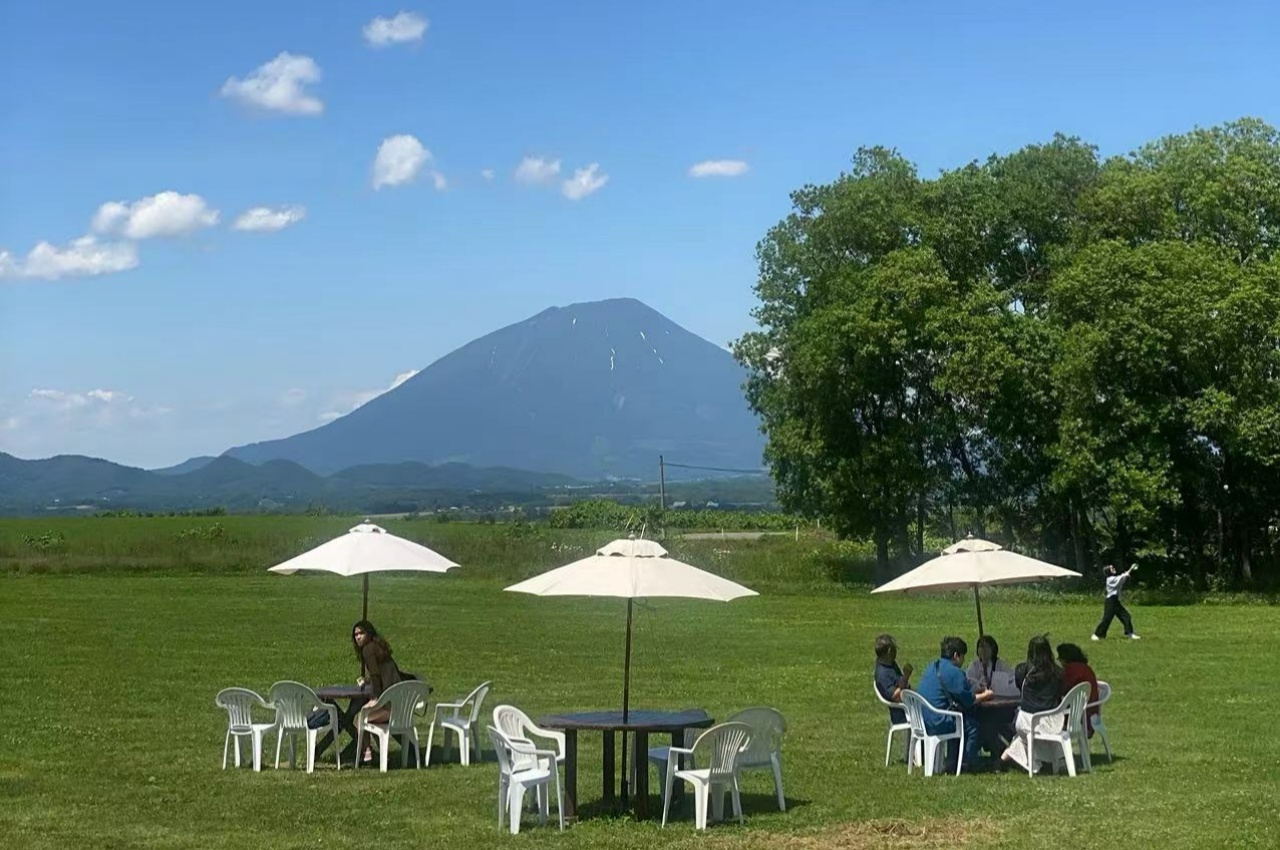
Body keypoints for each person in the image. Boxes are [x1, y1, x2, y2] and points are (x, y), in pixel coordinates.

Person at [915, 636, 993, 772]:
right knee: (972, 725)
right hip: (940, 721)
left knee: (961, 718)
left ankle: (952, 759)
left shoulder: (931, 667)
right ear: (956, 655)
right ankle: (966, 763)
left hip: (923, 719)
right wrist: (986, 695)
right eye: (963, 656)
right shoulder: (954, 672)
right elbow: (969, 700)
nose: (963, 661)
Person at [1001, 635, 1065, 774]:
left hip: (1027, 721)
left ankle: (1011, 755)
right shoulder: (1058, 672)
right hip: (1054, 722)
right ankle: (1009, 756)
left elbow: (1019, 688)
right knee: (1028, 736)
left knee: (1022, 735)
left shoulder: (1022, 671)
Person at [352, 620, 404, 761]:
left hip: (390, 707)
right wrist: (367, 681)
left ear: (369, 633)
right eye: (356, 634)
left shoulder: (368, 649)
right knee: (369, 720)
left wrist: (375, 699)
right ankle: (381, 753)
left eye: (361, 633)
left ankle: (366, 752)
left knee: (359, 719)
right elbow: (383, 674)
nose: (358, 637)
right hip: (403, 706)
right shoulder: (380, 647)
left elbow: (375, 675)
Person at [1057, 642, 1100, 737]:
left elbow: (1060, 689)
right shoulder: (1085, 668)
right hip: (1091, 716)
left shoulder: (1071, 670)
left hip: (1078, 719)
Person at [1092, 563, 1141, 640]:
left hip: (1115, 601)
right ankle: (1097, 635)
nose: (1113, 568)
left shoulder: (1114, 578)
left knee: (1126, 616)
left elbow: (1121, 579)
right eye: (1111, 568)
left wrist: (1126, 574)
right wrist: (1128, 572)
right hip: (1110, 601)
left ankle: (1130, 633)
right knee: (1107, 619)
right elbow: (1120, 579)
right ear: (1108, 571)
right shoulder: (1110, 579)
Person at [873, 633, 913, 725]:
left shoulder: (890, 664)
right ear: (889, 651)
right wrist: (906, 677)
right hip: (903, 713)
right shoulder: (882, 674)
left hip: (910, 704)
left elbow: (899, 683)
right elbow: (896, 697)